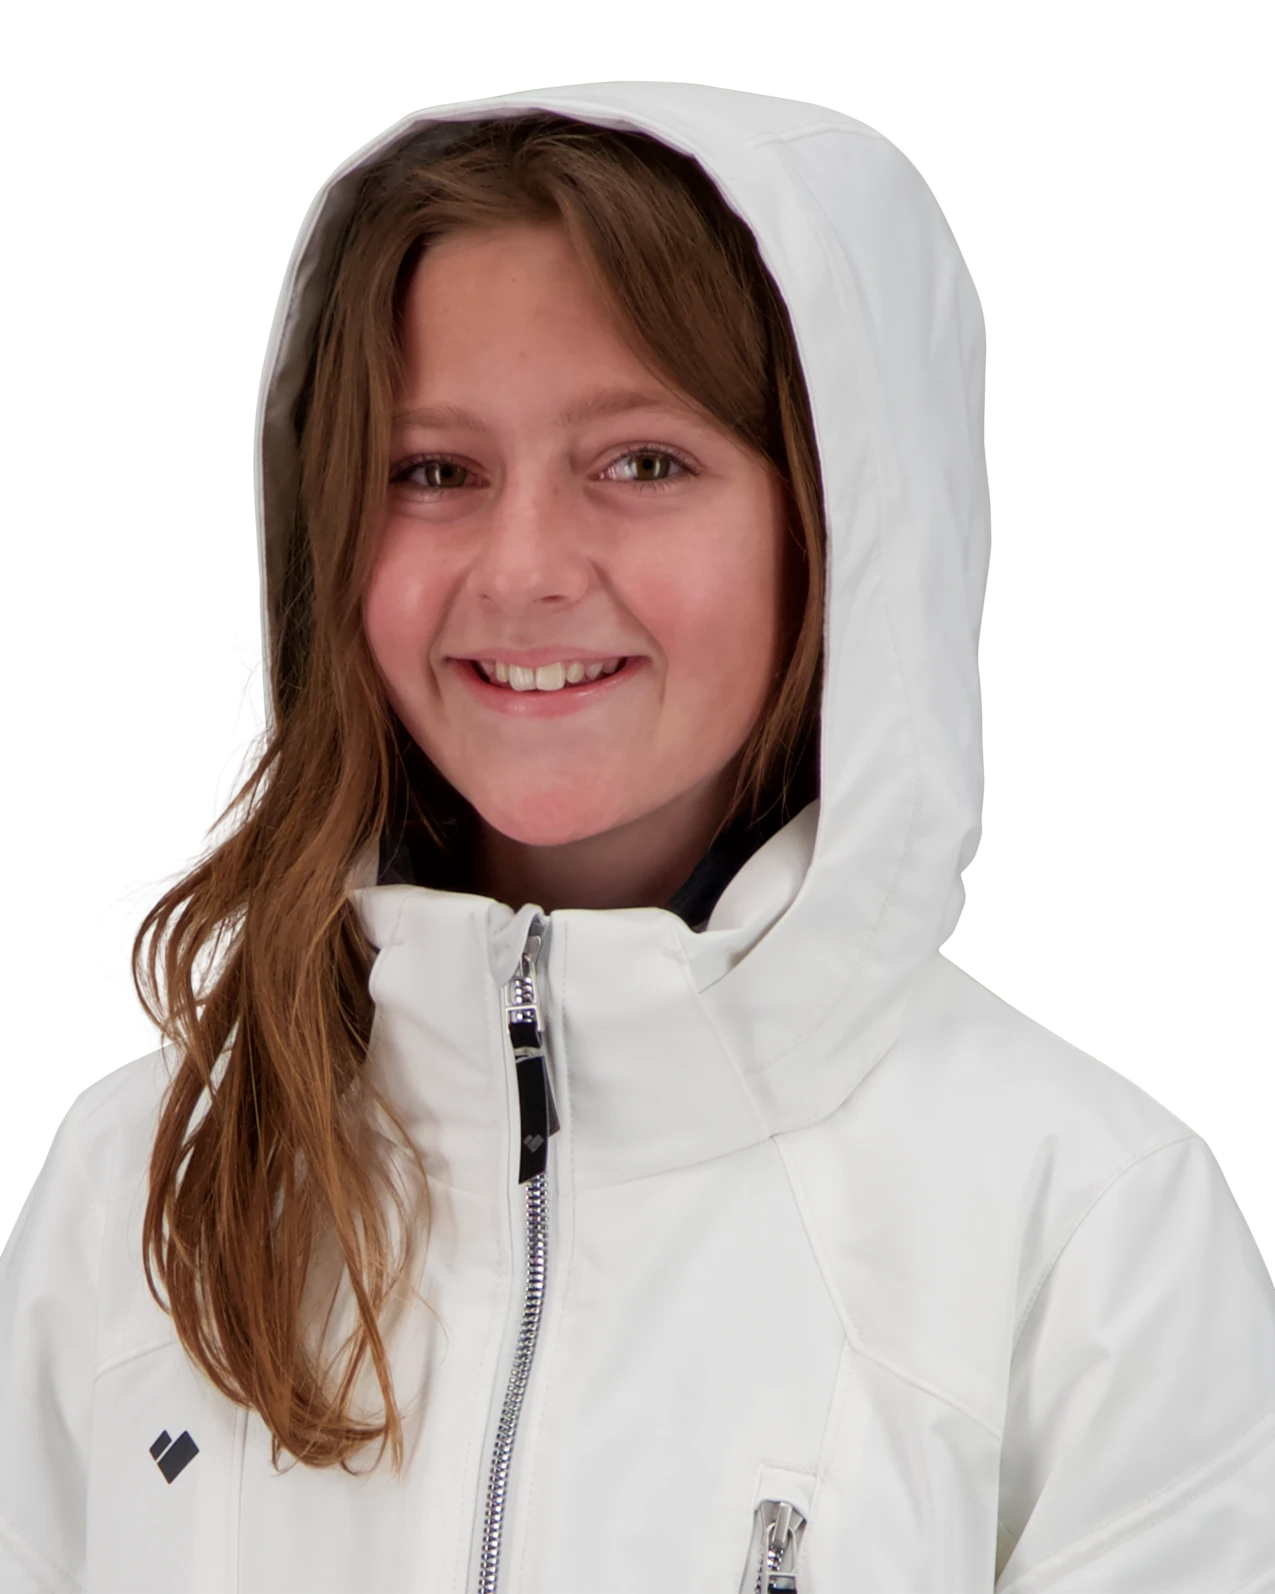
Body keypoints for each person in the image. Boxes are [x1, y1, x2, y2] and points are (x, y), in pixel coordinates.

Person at [2, 83, 1272, 1594]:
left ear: (841, 526)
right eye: (433, 471)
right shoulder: (143, 1192)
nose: (523, 569)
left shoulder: (1080, 1230)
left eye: (643, 463)